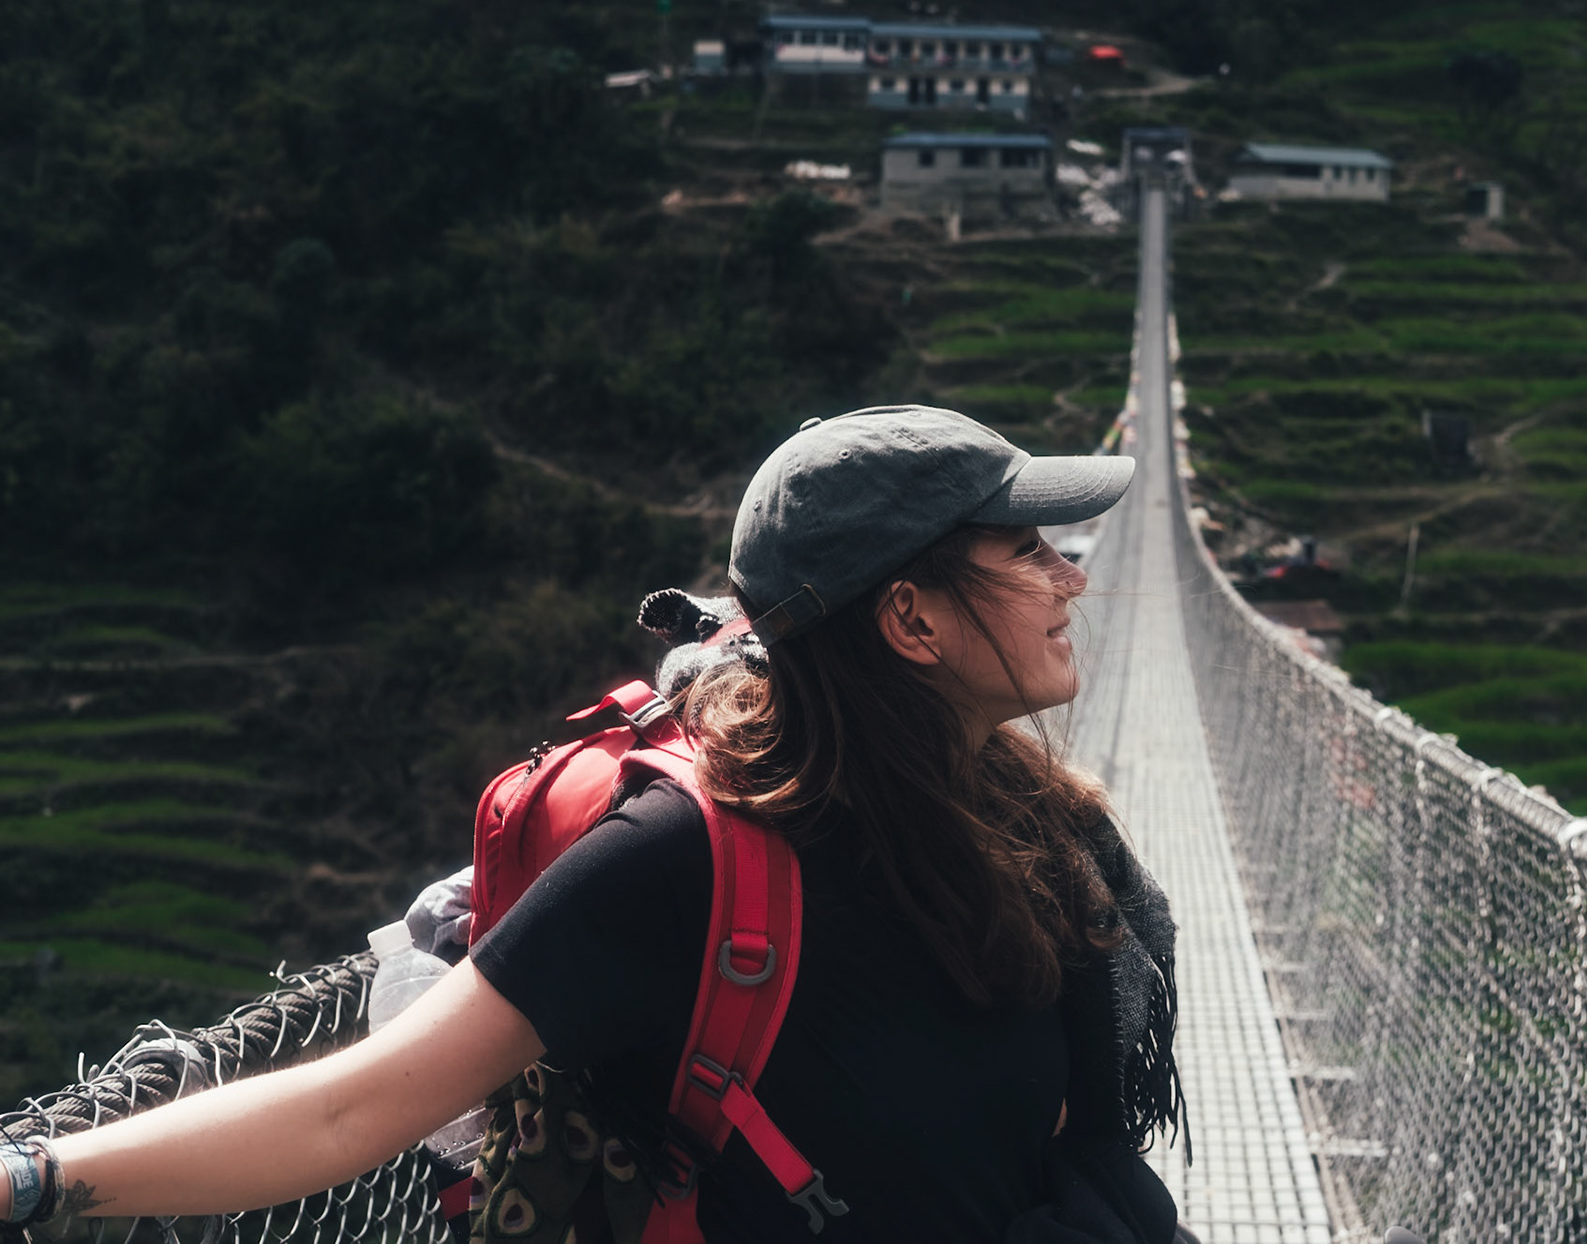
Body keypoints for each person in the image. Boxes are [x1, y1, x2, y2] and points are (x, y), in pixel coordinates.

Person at [0, 406, 1185, 1243]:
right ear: (913, 621)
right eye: (1027, 551)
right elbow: (351, 1106)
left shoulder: (1017, 818)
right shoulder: (683, 859)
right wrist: (40, 1175)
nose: (1071, 578)